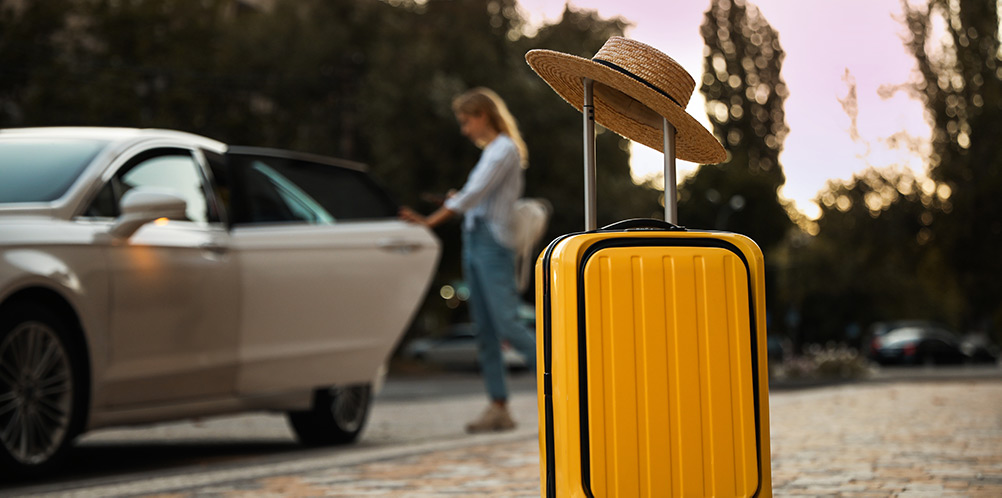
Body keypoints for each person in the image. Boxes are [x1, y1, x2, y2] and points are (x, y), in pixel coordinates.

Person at [399, 87, 536, 433]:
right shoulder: (492, 151)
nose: (464, 130)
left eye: (466, 121)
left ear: (482, 115)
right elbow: (473, 197)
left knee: (507, 324)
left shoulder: (504, 150)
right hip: (474, 240)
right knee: (486, 332)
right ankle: (499, 408)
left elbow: (474, 194)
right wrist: (456, 200)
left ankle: (572, 385)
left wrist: (431, 219)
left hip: (492, 244)